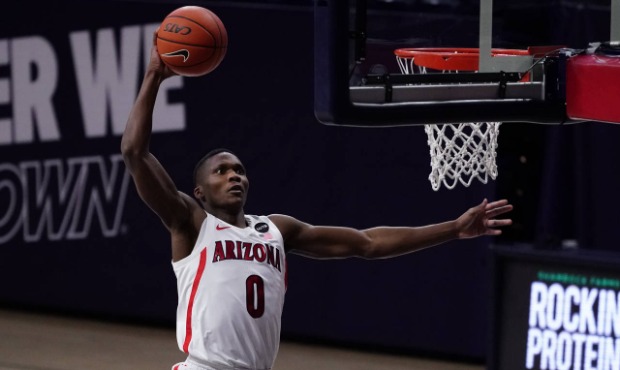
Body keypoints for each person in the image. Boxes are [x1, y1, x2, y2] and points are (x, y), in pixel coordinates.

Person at [121, 34, 513, 370]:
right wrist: (155, 75)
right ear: (200, 192)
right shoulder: (191, 223)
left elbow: (367, 243)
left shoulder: (276, 229)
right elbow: (135, 153)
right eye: (221, 171)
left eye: (239, 169)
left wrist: (454, 228)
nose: (234, 175)